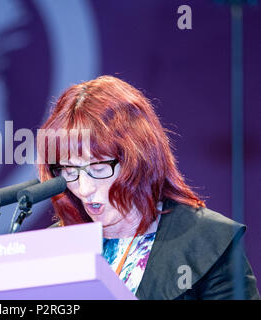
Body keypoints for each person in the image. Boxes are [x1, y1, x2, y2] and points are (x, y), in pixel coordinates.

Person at [36, 75, 259, 300]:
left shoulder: (207, 240)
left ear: (139, 158)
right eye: (69, 170)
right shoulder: (54, 248)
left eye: (98, 167)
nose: (84, 189)